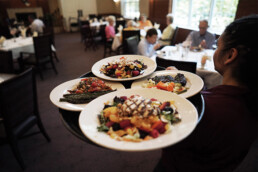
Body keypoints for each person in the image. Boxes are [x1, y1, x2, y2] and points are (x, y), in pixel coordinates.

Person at [155, 15, 258, 171]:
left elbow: (167, 139)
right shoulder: (249, 103)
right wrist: (180, 79)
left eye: (217, 45)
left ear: (230, 55)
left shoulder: (205, 111)